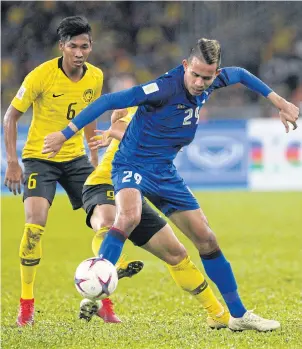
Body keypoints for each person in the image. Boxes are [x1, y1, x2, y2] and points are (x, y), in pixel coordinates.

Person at [42, 38, 300, 331]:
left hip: (164, 171)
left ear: (215, 74)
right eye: (196, 75)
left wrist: (280, 103)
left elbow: (240, 73)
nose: (201, 82)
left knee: (206, 239)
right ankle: (96, 287)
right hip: (131, 163)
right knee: (129, 216)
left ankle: (238, 315)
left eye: (208, 76)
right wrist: (65, 133)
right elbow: (108, 101)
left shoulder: (212, 81)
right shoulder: (163, 88)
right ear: (185, 66)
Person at [3, 16, 141, 327]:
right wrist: (13, 161)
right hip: (40, 158)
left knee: (106, 222)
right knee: (34, 227)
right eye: (74, 46)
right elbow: (11, 117)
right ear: (62, 46)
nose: (80, 52)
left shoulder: (95, 76)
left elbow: (89, 115)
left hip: (76, 159)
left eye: (85, 46)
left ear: (91, 47)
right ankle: (26, 305)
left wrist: (93, 156)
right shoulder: (40, 76)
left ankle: (105, 301)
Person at [79, 106, 230, 328]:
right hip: (104, 183)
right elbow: (118, 127)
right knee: (109, 223)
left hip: (133, 191)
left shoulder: (175, 120)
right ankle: (116, 266)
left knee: (176, 254)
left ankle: (217, 314)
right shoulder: (143, 108)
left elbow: (117, 118)